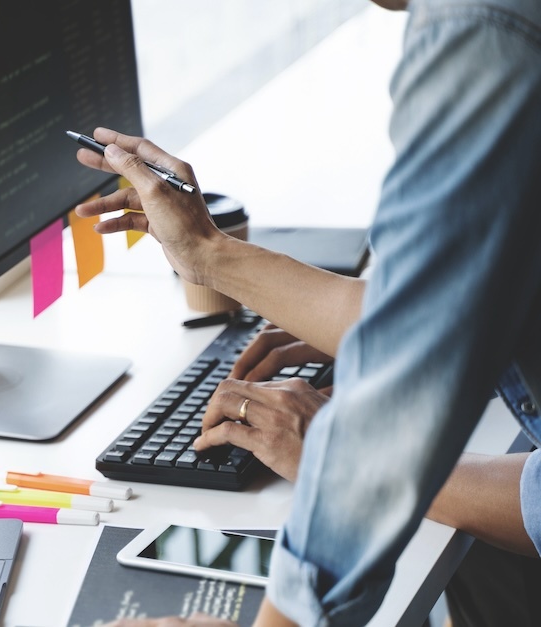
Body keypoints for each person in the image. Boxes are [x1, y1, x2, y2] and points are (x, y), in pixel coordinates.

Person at [70, 0, 541, 623]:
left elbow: (415, 365)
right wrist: (208, 253)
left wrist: (331, 447)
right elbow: (448, 302)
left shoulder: (481, 27)